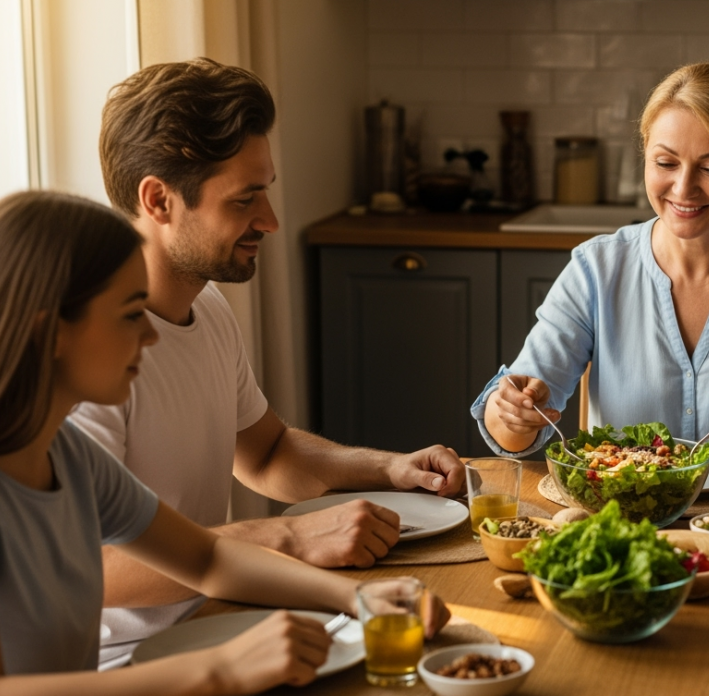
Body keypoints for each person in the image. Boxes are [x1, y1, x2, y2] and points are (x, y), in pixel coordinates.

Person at [0, 191, 448, 695]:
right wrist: (222, 670)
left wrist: (358, 599)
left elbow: (207, 560)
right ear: (52, 333)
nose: (151, 338)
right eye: (131, 314)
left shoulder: (68, 454)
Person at [67, 58, 463, 664]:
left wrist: (389, 469)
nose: (271, 221)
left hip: (220, 616)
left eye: (266, 191)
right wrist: (290, 536)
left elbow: (267, 454)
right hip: (124, 663)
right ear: (159, 199)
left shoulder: (209, 307)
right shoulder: (88, 356)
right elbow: (88, 567)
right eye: (244, 199)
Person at [472, 62, 709, 463]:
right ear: (645, 153)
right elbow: (512, 426)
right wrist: (514, 414)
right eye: (665, 163)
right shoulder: (596, 269)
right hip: (623, 518)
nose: (683, 188)